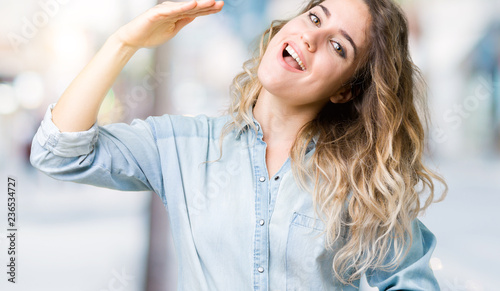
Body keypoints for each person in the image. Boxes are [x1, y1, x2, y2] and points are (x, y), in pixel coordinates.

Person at [30, 0, 447, 289]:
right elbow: (58, 152)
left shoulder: (360, 184)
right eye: (315, 18)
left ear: (344, 91)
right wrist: (124, 43)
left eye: (339, 47)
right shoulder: (184, 146)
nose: (312, 38)